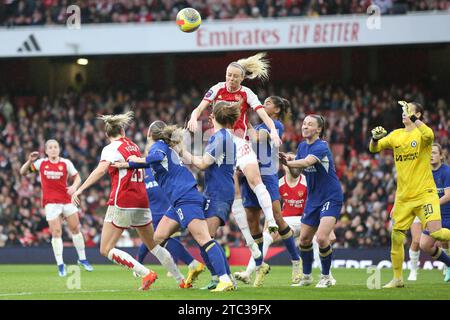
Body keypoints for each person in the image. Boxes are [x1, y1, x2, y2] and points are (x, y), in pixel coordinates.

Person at [112, 120, 235, 292]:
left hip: (185, 197)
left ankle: (224, 279)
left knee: (204, 238)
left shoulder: (158, 146)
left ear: (149, 134)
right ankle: (193, 267)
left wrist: (135, 160)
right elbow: (153, 161)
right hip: (178, 199)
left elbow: (154, 158)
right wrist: (129, 164)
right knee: (159, 236)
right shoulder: (163, 147)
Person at [71, 111, 184, 291]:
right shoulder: (133, 146)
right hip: (142, 200)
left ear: (107, 134)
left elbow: (100, 170)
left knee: (105, 249)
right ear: (123, 132)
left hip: (122, 200)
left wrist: (80, 189)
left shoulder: (110, 148)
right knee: (153, 245)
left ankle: (145, 272)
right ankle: (180, 279)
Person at [186, 53, 282, 260]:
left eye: (234, 77)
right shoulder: (217, 88)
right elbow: (200, 107)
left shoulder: (247, 93)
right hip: (220, 144)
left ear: (241, 78)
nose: (230, 80)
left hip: (240, 141)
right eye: (228, 76)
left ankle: (272, 220)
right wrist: (194, 117)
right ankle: (251, 244)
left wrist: (273, 131)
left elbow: (263, 115)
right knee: (234, 193)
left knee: (255, 180)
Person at [369, 101, 450, 288]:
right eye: (403, 111)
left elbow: (430, 134)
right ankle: (397, 279)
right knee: (396, 237)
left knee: (437, 233)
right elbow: (374, 149)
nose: (404, 113)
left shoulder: (422, 134)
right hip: (404, 197)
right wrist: (374, 138)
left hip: (425, 194)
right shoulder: (396, 135)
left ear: (418, 115)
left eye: (409, 111)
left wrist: (414, 119)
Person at [176, 100, 240, 290]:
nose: (209, 116)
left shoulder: (220, 137)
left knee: (206, 238)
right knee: (204, 238)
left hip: (219, 193)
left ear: (216, 116)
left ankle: (225, 279)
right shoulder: (224, 137)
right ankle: (219, 278)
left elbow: (203, 164)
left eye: (212, 113)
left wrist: (182, 152)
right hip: (216, 191)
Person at [281, 114, 343, 288]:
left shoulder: (321, 147)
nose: (305, 126)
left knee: (322, 238)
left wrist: (290, 161)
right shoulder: (302, 146)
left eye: (309, 124)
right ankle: (307, 277)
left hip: (331, 196)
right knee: (304, 240)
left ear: (318, 129)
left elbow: (307, 162)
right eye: (304, 123)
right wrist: (287, 164)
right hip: (313, 198)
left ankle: (325, 277)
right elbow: (296, 173)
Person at [20, 139, 93, 277]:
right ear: (46, 151)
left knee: (75, 228)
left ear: (58, 149)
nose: (53, 149)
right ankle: (60, 264)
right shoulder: (41, 163)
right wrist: (29, 161)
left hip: (66, 200)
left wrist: (74, 187)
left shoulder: (65, 163)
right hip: (51, 203)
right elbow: (23, 172)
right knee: (56, 232)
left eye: (55, 147)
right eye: (50, 147)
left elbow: (77, 177)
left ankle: (82, 259)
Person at [134, 169, 204, 283]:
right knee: (157, 239)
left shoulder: (157, 167)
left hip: (163, 211)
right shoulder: (149, 169)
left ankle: (191, 263)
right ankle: (192, 264)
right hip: (170, 210)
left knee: (154, 239)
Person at [407, 143, 450, 282]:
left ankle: (447, 267)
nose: (431, 155)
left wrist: (431, 204)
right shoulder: (423, 171)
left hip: (444, 213)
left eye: (435, 153)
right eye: (429, 153)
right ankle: (414, 271)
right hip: (424, 210)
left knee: (445, 241)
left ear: (441, 156)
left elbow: (448, 195)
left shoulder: (446, 171)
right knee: (421, 243)